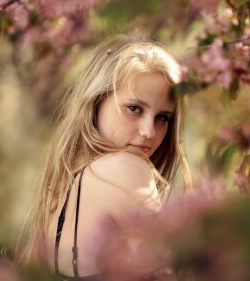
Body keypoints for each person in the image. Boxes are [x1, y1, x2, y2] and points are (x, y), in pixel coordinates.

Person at [14, 35, 192, 280]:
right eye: (134, 109)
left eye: (162, 118)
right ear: (97, 102)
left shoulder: (61, 188)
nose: (149, 132)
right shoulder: (126, 168)